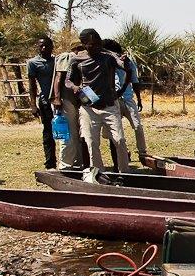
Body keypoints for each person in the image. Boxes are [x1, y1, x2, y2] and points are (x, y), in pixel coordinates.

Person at [66, 28, 130, 171]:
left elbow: (124, 67)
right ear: (84, 44)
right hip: (89, 108)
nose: (96, 47)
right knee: (91, 142)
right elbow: (68, 81)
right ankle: (98, 173)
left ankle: (124, 172)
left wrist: (124, 66)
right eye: (92, 44)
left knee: (119, 140)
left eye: (98, 43)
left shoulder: (109, 56)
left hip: (109, 106)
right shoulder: (77, 59)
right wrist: (75, 87)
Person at [101, 38, 148, 168]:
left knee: (137, 126)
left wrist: (138, 99)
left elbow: (134, 81)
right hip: (113, 99)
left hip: (127, 98)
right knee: (116, 130)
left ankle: (142, 151)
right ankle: (123, 153)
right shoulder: (104, 62)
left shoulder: (127, 61)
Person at [51, 43, 88, 169]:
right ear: (76, 49)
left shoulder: (83, 60)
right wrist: (57, 98)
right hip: (66, 100)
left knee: (78, 132)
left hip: (76, 101)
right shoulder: (68, 57)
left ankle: (78, 161)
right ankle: (66, 164)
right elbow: (59, 77)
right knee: (68, 133)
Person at [26, 36, 57, 169]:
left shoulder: (57, 61)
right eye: (41, 46)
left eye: (46, 45)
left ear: (52, 47)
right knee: (48, 132)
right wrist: (33, 104)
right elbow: (32, 85)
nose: (44, 48)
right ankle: (50, 162)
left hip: (60, 102)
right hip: (45, 102)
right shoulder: (33, 63)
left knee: (64, 131)